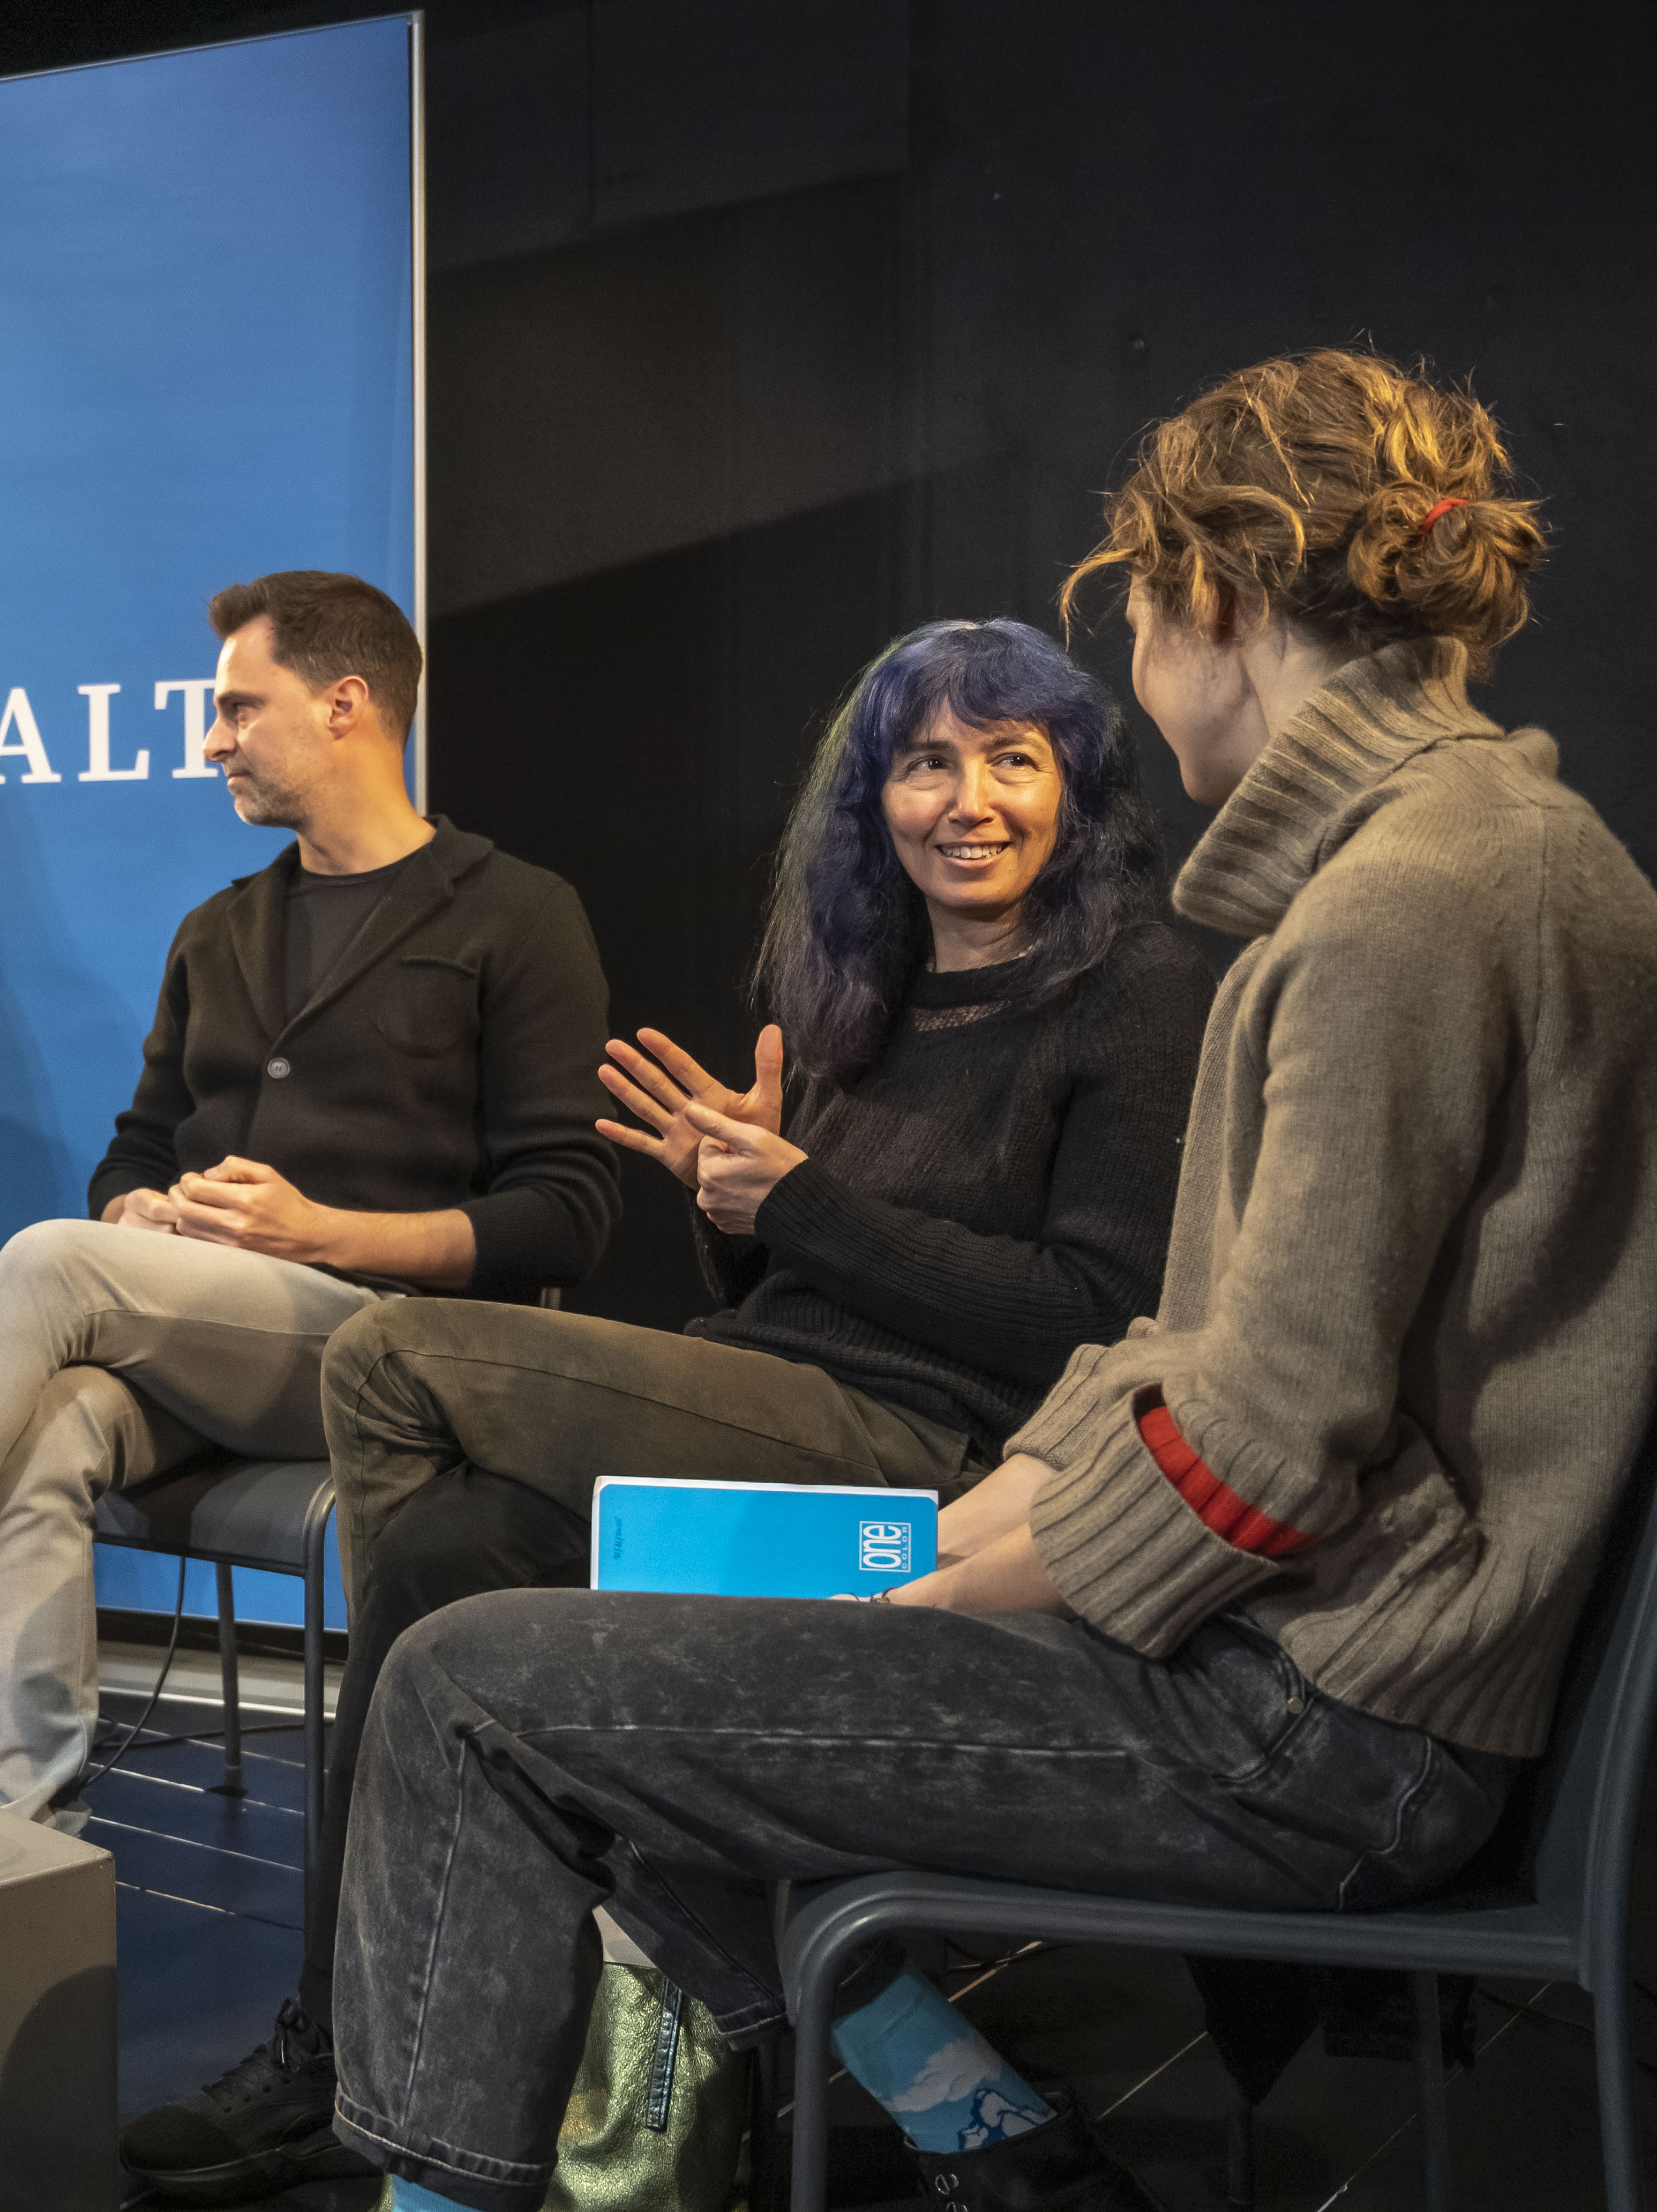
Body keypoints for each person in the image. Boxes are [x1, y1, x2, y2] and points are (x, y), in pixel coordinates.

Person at [332, 348, 1657, 2212]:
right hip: (1322, 1679)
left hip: (1309, 1728)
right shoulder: (1477, 855)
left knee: (469, 1686)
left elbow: (1263, 1450)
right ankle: (971, 2116)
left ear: (1211, 598)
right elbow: (1198, 1356)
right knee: (576, 1626)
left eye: (1130, 629)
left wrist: (943, 1582)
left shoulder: (1403, 905)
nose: (1136, 675)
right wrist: (966, 1529)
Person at [122, 616, 1217, 2201]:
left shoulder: (1141, 991)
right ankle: (903, 2071)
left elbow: (1091, 1320)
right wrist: (735, 1210)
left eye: (1012, 760)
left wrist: (805, 1206)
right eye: (925, 763)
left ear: (1078, 787)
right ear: (874, 796)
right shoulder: (864, 985)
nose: (967, 801)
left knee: (392, 1361)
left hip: (960, 1468)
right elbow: (781, 1296)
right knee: (452, 1576)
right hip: (789, 1403)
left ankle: (343, 2045)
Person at [0, 570, 621, 1823]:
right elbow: (133, 1153)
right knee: (42, 1431)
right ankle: (25, 1844)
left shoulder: (517, 914)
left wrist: (322, 1232)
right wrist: (138, 1214)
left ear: (345, 705)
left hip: (402, 1353)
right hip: (219, 1345)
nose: (212, 741)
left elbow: (567, 1214)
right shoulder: (219, 929)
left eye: (237, 708)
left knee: (51, 1265)